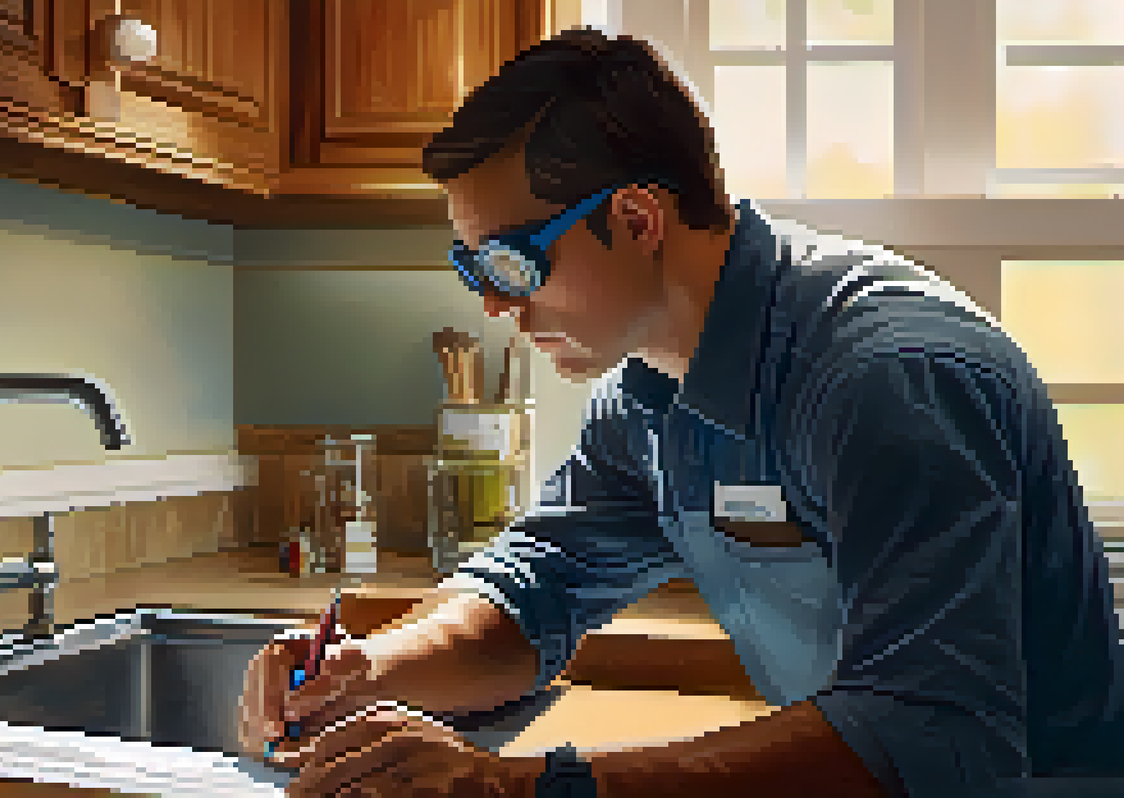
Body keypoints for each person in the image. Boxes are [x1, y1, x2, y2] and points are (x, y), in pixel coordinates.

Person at [238, 28, 1124, 798]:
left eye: (509, 264)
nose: (495, 310)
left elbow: (937, 741)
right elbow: (534, 589)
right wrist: (368, 672)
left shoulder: (886, 379)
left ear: (635, 217)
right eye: (474, 273)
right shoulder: (648, 396)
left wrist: (518, 789)